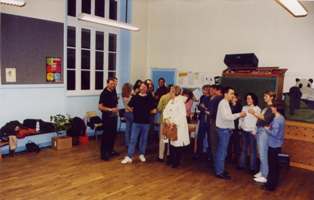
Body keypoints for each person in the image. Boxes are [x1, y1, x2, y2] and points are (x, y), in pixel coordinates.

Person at [121, 82, 156, 164]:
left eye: (144, 87)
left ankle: (142, 154)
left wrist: (150, 112)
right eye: (141, 87)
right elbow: (128, 106)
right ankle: (129, 156)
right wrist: (134, 111)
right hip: (136, 122)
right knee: (133, 139)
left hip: (146, 123)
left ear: (146, 89)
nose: (143, 88)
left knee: (143, 140)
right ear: (139, 88)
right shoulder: (135, 97)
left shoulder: (150, 97)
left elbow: (154, 109)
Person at [215, 87, 246, 179]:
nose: (233, 95)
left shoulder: (226, 103)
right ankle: (219, 172)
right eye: (231, 93)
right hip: (223, 130)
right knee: (222, 152)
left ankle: (220, 169)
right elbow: (226, 117)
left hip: (225, 130)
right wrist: (239, 115)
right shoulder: (223, 103)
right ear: (225, 94)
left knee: (223, 152)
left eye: (233, 93)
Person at [249, 91, 275, 183]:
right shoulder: (266, 107)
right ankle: (261, 171)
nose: (264, 97)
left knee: (263, 153)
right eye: (264, 96)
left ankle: (265, 175)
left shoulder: (272, 108)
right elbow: (260, 119)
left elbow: (265, 118)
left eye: (266, 96)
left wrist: (254, 113)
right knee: (260, 153)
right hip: (260, 130)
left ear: (271, 97)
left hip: (264, 132)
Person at [163, 85, 190, 168]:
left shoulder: (180, 102)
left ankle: (176, 162)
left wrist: (173, 123)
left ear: (175, 92)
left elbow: (182, 115)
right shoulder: (171, 101)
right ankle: (171, 159)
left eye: (171, 91)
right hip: (170, 125)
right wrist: (167, 119)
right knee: (171, 144)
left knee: (177, 145)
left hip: (178, 126)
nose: (170, 93)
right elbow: (165, 111)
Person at [264, 102, 285, 191]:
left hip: (273, 145)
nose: (271, 108)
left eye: (272, 107)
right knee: (275, 166)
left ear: (276, 108)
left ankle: (270, 186)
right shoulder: (281, 117)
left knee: (272, 166)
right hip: (277, 145)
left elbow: (274, 133)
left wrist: (267, 129)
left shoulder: (277, 119)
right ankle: (272, 183)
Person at [238, 93, 261, 173]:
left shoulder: (257, 109)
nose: (248, 100)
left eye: (250, 98)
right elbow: (241, 118)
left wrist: (254, 131)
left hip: (252, 132)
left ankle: (252, 167)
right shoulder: (244, 108)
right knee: (243, 149)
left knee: (253, 150)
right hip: (244, 131)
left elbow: (258, 121)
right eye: (247, 98)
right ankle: (241, 165)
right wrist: (240, 125)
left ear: (253, 99)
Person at [98, 77, 119, 161]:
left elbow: (115, 102)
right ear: (107, 84)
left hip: (114, 116)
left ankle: (110, 151)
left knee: (113, 134)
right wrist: (110, 109)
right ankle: (104, 154)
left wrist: (116, 108)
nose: (112, 85)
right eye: (111, 84)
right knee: (106, 135)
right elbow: (100, 107)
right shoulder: (104, 93)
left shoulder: (114, 90)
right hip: (107, 117)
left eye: (113, 84)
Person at [157, 85, 175, 162]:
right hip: (173, 122)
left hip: (164, 121)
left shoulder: (163, 97)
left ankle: (161, 156)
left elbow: (159, 108)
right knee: (170, 139)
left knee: (163, 139)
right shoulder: (176, 99)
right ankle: (168, 154)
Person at [208, 85, 223, 166]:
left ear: (216, 90)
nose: (211, 91)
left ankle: (215, 163)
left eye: (212, 90)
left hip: (214, 123)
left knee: (214, 144)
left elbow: (211, 112)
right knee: (220, 145)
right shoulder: (224, 99)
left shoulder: (215, 99)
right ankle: (219, 164)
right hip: (222, 124)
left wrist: (207, 111)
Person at [195, 85, 211, 159]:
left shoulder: (211, 98)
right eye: (202, 90)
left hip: (208, 120)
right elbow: (199, 106)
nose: (203, 91)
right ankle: (199, 153)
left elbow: (209, 109)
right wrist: (201, 107)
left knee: (209, 138)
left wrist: (203, 107)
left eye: (204, 90)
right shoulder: (202, 97)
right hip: (202, 118)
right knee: (200, 137)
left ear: (208, 90)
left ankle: (209, 154)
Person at [227, 93, 242, 164]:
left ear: (237, 98)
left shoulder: (239, 106)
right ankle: (228, 158)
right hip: (229, 126)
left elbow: (237, 114)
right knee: (229, 143)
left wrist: (234, 104)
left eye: (234, 97)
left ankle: (237, 159)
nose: (233, 99)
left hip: (236, 127)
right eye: (232, 97)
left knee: (237, 144)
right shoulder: (228, 105)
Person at [121, 83, 133, 148]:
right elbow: (130, 107)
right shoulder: (130, 97)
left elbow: (126, 106)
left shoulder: (124, 96)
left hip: (126, 113)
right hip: (130, 113)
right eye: (131, 88)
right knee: (132, 129)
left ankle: (127, 143)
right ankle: (131, 142)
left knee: (127, 129)